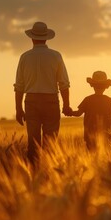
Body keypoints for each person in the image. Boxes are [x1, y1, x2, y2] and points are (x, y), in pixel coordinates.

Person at [13, 21, 72, 167]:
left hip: (31, 101)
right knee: (51, 143)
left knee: (33, 143)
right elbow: (63, 83)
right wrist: (66, 105)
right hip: (51, 101)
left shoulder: (24, 57)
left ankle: (34, 174)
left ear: (32, 38)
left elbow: (19, 86)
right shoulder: (56, 56)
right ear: (46, 38)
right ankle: (50, 174)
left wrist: (18, 109)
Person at [68, 71, 111, 151]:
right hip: (106, 136)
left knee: (92, 155)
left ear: (92, 86)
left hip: (90, 135)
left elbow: (78, 113)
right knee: (105, 157)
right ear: (105, 87)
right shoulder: (109, 100)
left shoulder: (87, 99)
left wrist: (69, 112)